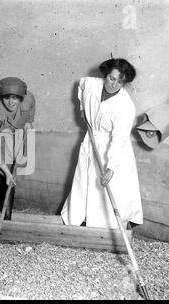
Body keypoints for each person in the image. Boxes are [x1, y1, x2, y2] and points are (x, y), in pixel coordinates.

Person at [61, 58, 143, 229]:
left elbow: (118, 139)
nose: (114, 84)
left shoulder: (125, 106)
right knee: (84, 179)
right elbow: (81, 85)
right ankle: (77, 219)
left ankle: (107, 226)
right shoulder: (92, 84)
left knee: (109, 187)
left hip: (113, 147)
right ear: (105, 75)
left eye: (120, 82)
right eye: (112, 78)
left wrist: (111, 167)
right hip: (91, 140)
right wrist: (83, 108)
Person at [0, 77, 35, 229]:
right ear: (1, 97)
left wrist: (28, 122)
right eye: (6, 98)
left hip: (13, 139)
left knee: (10, 180)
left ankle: (7, 215)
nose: (11, 102)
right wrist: (6, 172)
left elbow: (30, 109)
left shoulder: (28, 99)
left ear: (21, 97)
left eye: (15, 98)